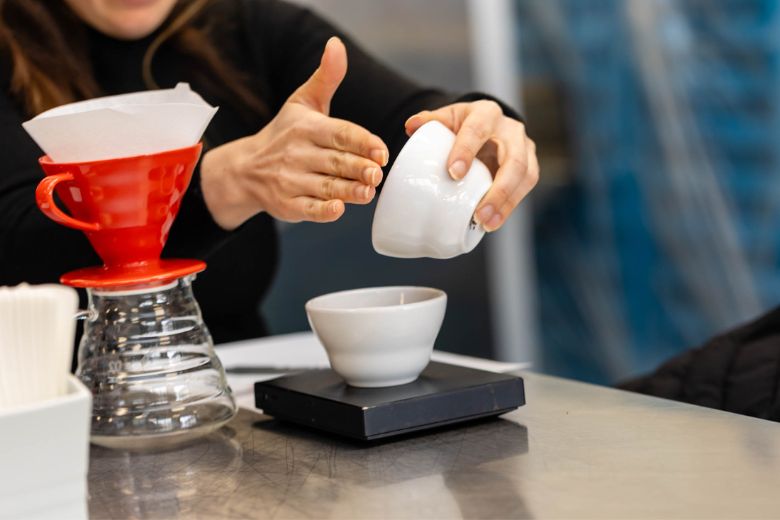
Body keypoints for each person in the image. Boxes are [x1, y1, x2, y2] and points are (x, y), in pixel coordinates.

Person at [0, 0, 538, 343]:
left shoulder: (243, 27)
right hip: (51, 410)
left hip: (237, 403)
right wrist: (224, 181)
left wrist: (481, 131)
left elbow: (415, 127)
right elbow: (19, 245)